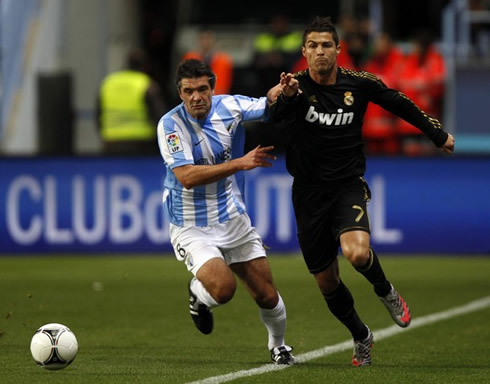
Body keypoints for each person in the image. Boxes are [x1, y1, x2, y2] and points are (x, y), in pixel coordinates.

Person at [268, 16, 455, 366]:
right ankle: (361, 336)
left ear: (339, 49)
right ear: (304, 51)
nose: (320, 51)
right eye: (314, 46)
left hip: (346, 186)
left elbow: (399, 102)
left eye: (327, 45)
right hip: (307, 194)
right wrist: (287, 98)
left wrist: (436, 133)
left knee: (356, 253)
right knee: (327, 282)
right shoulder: (295, 88)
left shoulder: (360, 83)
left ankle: (385, 290)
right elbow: (274, 117)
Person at [156, 59, 295, 365]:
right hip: (191, 224)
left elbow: (266, 105)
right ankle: (199, 295)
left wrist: (282, 91)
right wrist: (238, 163)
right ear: (179, 93)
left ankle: (279, 345)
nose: (196, 97)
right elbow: (187, 177)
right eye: (189, 91)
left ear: (212, 88)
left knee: (267, 295)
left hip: (231, 216)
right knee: (224, 289)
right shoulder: (170, 126)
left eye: (202, 89)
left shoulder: (229, 107)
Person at [96, 48, 166, 155]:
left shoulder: (108, 82)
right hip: (140, 142)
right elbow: (159, 116)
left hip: (111, 142)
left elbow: (98, 114)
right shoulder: (146, 84)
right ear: (146, 66)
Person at [395, 30, 446, 156]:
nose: (413, 48)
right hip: (408, 122)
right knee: (409, 159)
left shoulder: (436, 60)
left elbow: (437, 84)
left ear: (424, 46)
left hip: (429, 121)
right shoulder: (409, 60)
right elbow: (401, 83)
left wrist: (420, 85)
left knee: (428, 160)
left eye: (416, 45)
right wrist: (421, 85)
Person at [363, 31, 405, 154]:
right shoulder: (369, 65)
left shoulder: (399, 64)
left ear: (389, 44)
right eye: (376, 43)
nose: (378, 46)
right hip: (370, 130)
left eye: (381, 42)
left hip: (391, 130)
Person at [182, 30, 234, 95]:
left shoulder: (224, 60)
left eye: (208, 39)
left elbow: (226, 84)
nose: (205, 42)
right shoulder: (189, 58)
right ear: (198, 41)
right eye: (203, 39)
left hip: (218, 97)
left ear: (213, 41)